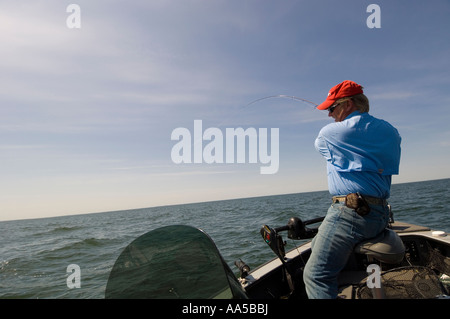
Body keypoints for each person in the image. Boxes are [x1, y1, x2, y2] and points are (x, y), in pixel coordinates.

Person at [303, 80, 401, 299]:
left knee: (315, 275)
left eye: (331, 108)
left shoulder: (329, 134)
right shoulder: (391, 131)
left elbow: (320, 147)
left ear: (347, 104)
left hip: (349, 213)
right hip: (379, 214)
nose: (329, 114)